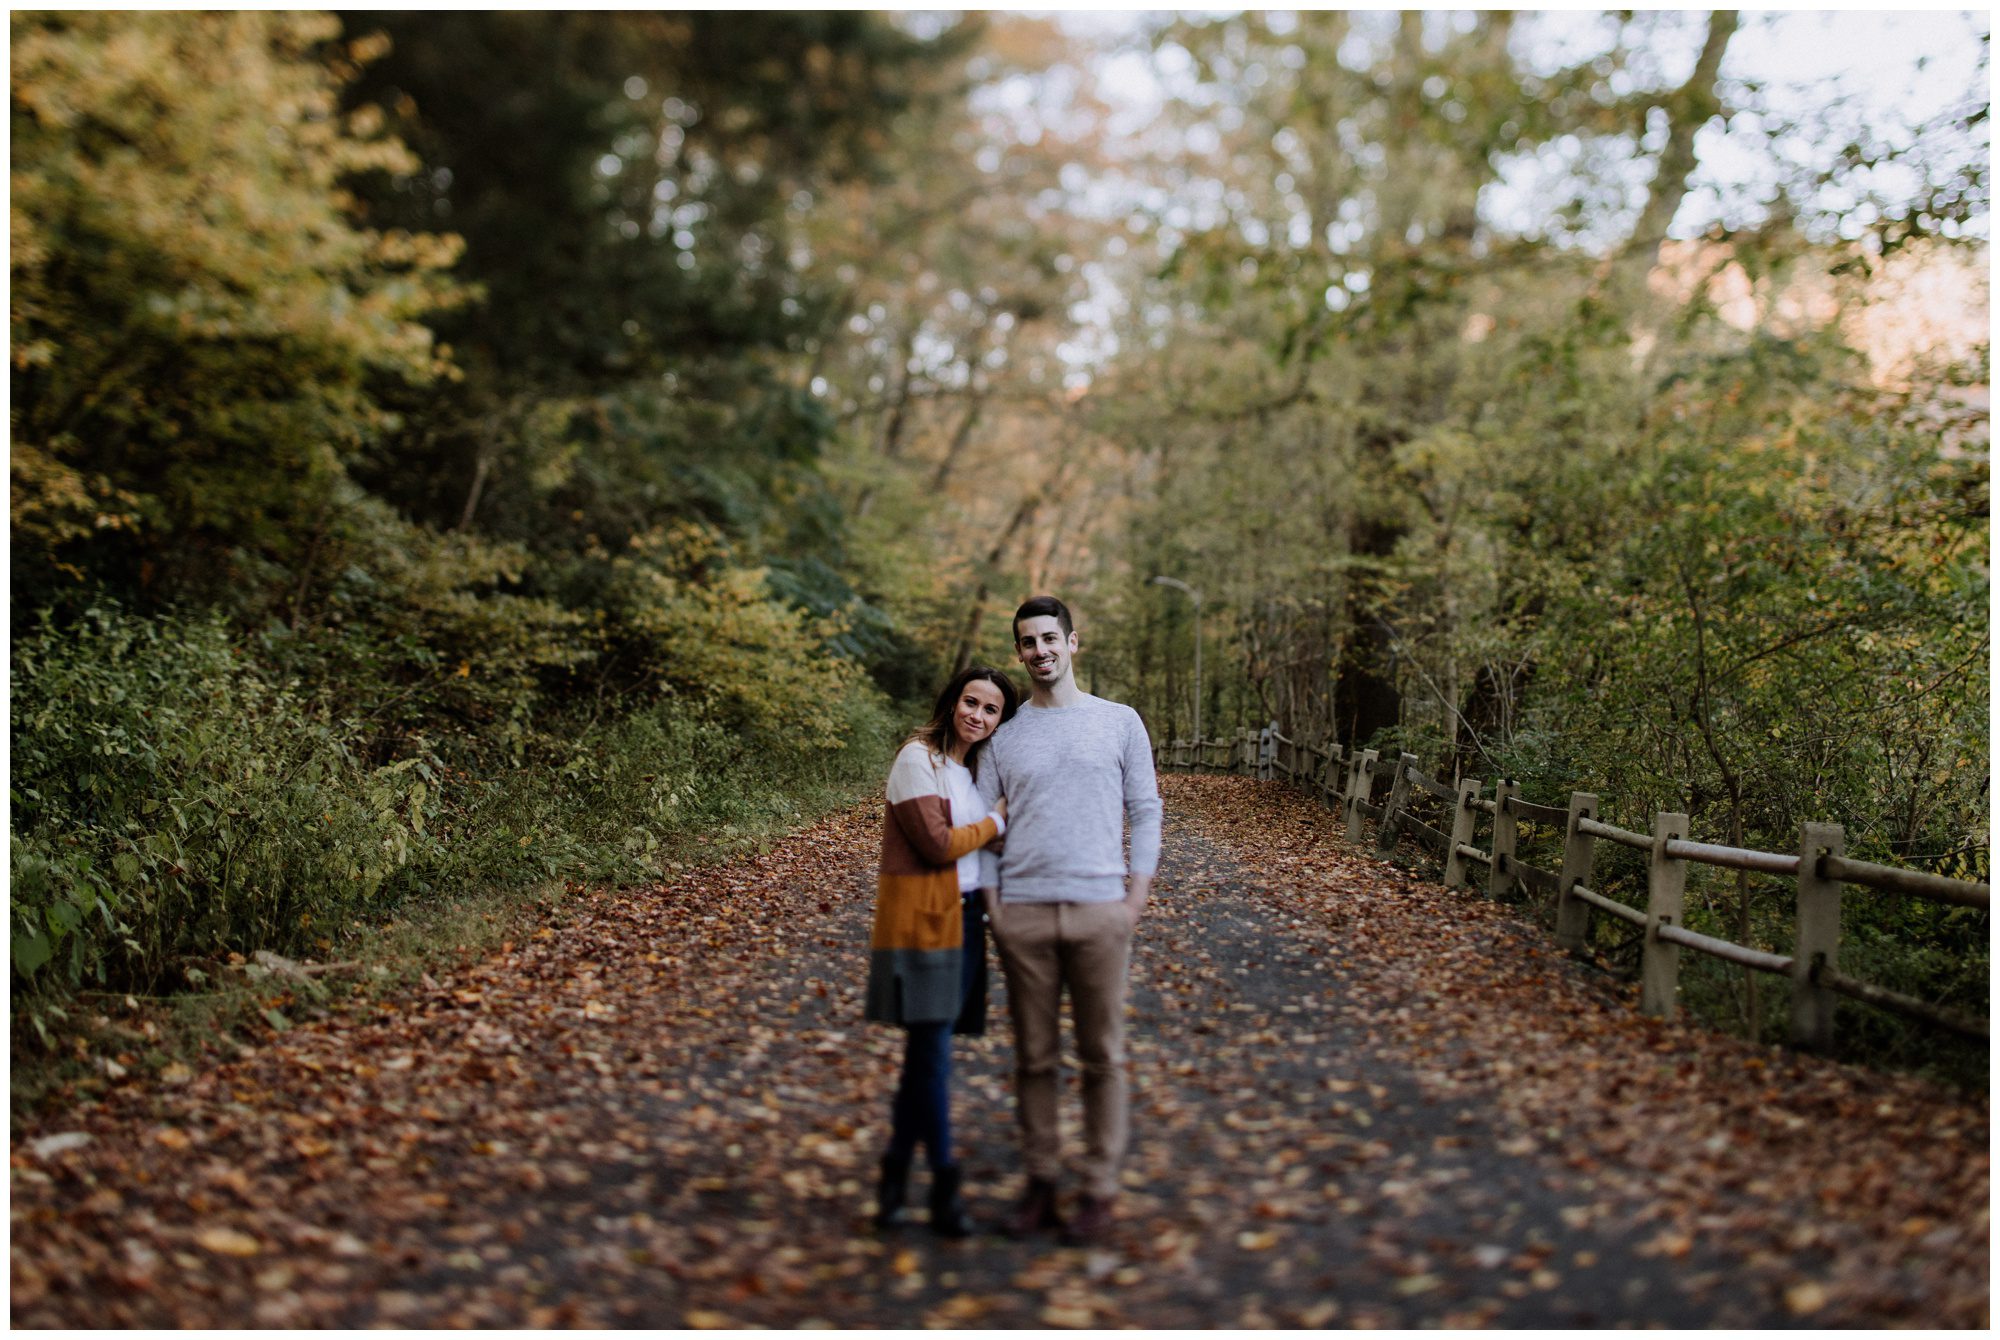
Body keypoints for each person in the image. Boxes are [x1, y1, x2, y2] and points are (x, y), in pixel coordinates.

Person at [975, 595, 1162, 1245]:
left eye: (1050, 638)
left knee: (1102, 1056)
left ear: (1073, 643)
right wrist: (995, 907)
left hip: (1100, 912)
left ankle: (1100, 1190)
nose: (1040, 651)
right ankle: (1041, 1182)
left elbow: (1147, 811)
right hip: (1023, 915)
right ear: (1020, 653)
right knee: (1033, 1058)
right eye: (1028, 643)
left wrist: (1134, 898)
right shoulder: (1004, 735)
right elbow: (979, 827)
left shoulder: (1119, 723)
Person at [864, 665, 1018, 1237]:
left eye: (991, 709)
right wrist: (995, 821)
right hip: (923, 923)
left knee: (923, 1061)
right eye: (970, 702)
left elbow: (979, 846)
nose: (976, 715)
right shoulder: (917, 760)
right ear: (952, 700)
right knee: (932, 1058)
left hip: (967, 919)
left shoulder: (971, 770)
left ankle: (894, 1182)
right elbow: (935, 845)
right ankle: (945, 1186)